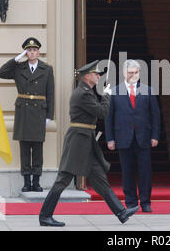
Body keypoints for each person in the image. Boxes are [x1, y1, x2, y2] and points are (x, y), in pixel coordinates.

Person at [39, 60, 139, 227]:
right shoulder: (83, 93)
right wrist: (107, 94)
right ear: (87, 77)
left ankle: (121, 212)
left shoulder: (86, 91)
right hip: (79, 140)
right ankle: (45, 215)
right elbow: (102, 112)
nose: (99, 76)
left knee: (99, 178)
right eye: (96, 74)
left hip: (85, 140)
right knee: (63, 179)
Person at [0, 37, 54, 192]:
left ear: (39, 52)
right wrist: (16, 59)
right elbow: (1, 73)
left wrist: (50, 116)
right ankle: (26, 181)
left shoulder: (47, 69)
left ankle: (36, 181)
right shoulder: (18, 68)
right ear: (25, 52)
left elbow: (50, 93)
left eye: (34, 50)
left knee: (37, 149)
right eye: (29, 50)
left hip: (39, 112)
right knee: (24, 148)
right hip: (23, 112)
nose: (32, 53)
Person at [105, 60, 160, 213]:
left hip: (144, 138)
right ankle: (130, 202)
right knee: (127, 172)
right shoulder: (115, 91)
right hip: (123, 137)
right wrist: (110, 138)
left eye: (136, 72)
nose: (133, 75)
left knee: (145, 172)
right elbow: (109, 117)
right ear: (124, 73)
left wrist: (155, 135)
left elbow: (155, 115)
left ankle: (146, 202)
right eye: (130, 72)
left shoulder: (148, 90)